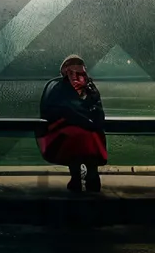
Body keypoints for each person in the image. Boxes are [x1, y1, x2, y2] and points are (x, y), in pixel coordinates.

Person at [37, 54, 107, 192]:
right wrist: (89, 120)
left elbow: (55, 111)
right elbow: (96, 112)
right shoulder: (88, 87)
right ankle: (90, 175)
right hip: (81, 129)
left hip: (72, 130)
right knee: (85, 136)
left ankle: (78, 177)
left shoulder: (59, 88)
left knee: (77, 137)